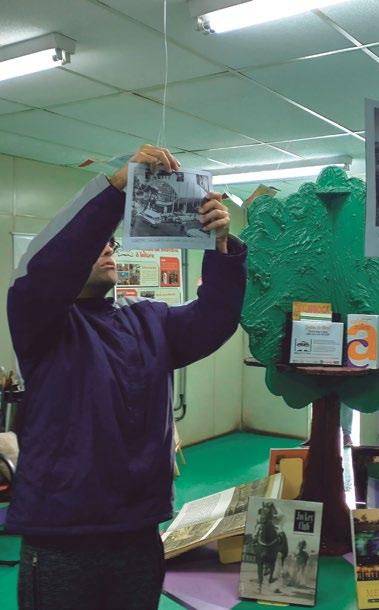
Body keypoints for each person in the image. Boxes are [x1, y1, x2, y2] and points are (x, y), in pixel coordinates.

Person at [6, 144, 247, 610]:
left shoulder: (148, 321)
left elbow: (215, 318)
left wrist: (220, 250)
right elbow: (51, 269)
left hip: (139, 532)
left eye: (111, 242)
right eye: (98, 242)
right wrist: (117, 190)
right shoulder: (41, 324)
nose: (108, 247)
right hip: (62, 538)